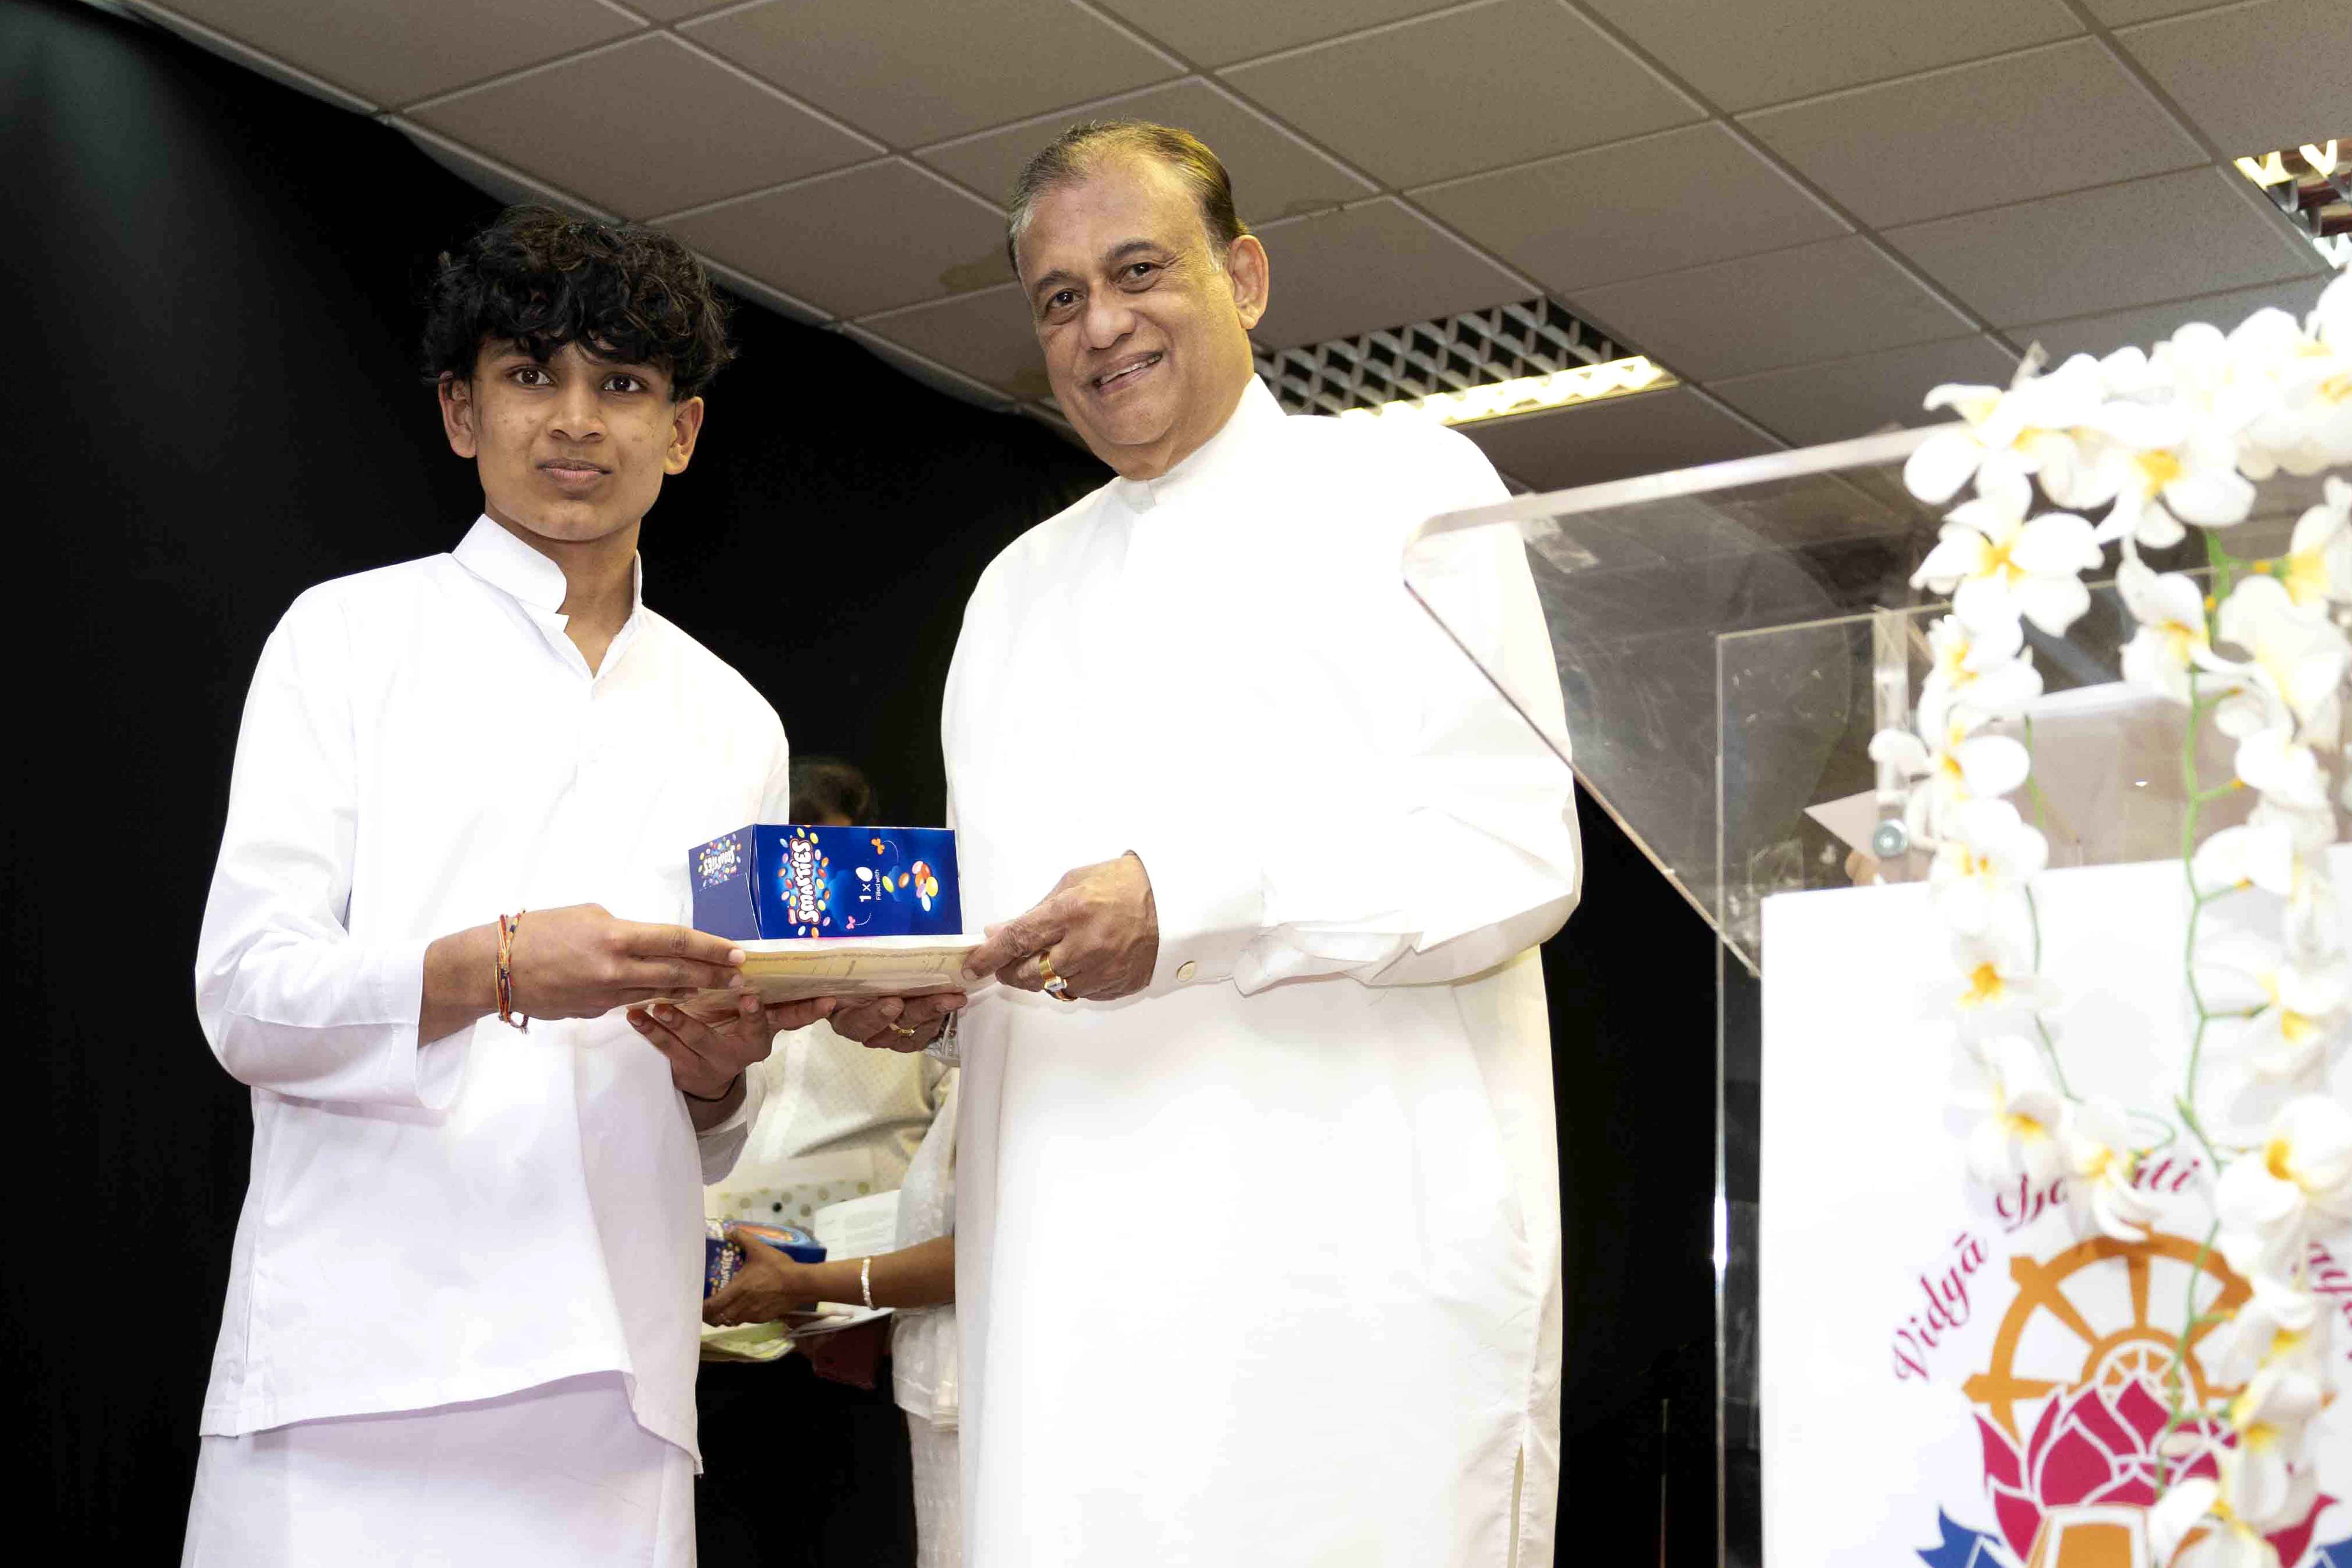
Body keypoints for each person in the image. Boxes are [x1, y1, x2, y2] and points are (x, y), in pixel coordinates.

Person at [826, 122, 1583, 1566]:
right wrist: (931, 999)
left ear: (1244, 277)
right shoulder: (1014, 592)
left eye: (1139, 271)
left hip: (1346, 1296)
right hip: (1066, 1300)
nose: (1101, 325)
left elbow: (1511, 850)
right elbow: (1008, 935)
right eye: (1059, 299)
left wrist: (1191, 906)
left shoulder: (1410, 492)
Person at [182, 206, 834, 1567]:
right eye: (533, 374)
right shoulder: (345, 639)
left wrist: (719, 1075)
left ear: (684, 432)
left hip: (619, 1387)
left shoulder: (738, 723)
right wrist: (492, 967)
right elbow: (246, 997)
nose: (577, 420)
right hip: (353, 1362)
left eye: (624, 383)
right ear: (461, 411)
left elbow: (720, 1117)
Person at [694, 757, 948, 1568]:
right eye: (795, 877)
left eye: (833, 873)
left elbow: (965, 1196)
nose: (814, 906)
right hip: (712, 1362)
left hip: (862, 1362)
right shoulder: (709, 996)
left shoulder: (924, 1013)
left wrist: (849, 1298)